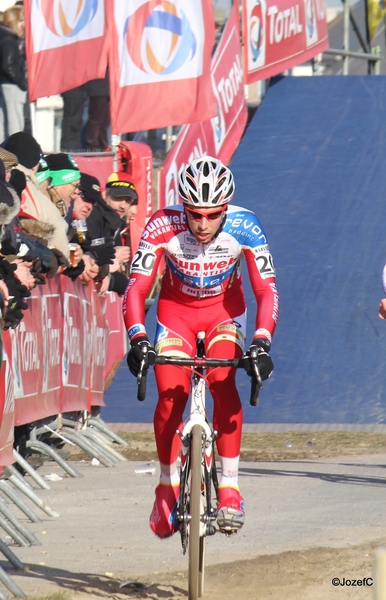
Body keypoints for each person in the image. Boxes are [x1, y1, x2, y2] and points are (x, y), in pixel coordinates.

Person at [123, 156, 279, 539]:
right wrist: (138, 338)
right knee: (169, 398)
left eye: (212, 215)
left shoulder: (246, 225)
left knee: (223, 382)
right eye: (195, 214)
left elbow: (266, 290)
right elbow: (136, 288)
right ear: (184, 207)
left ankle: (229, 488)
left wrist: (260, 342)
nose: (203, 224)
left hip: (225, 312)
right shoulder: (163, 224)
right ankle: (166, 485)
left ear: (225, 209)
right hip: (176, 314)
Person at [0, 5, 27, 139]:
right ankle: (15, 153)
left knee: (5, 120)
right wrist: (22, 83)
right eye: (23, 20)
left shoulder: (4, 36)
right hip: (12, 84)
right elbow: (8, 65)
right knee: (15, 121)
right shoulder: (9, 40)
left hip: (5, 83)